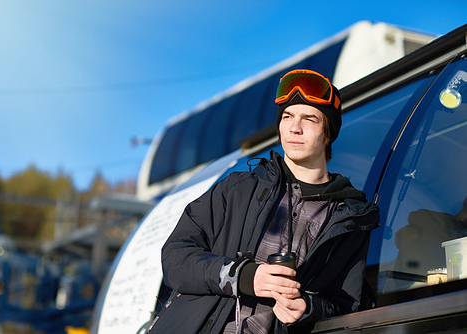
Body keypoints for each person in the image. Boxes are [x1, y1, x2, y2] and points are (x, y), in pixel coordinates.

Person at [147, 69, 380, 334]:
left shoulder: (350, 218)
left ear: (328, 133)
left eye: (309, 119)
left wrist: (308, 307)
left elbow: (347, 305)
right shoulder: (237, 189)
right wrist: (244, 276)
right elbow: (176, 256)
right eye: (288, 117)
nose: (294, 127)